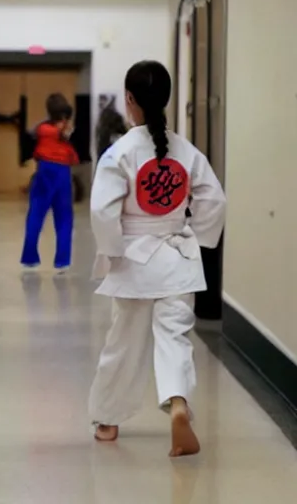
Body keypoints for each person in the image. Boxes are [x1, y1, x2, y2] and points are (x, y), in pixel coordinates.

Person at [88, 60, 226, 458]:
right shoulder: (186, 151)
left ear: (129, 100)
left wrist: (112, 249)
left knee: (124, 342)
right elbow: (213, 199)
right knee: (175, 339)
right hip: (178, 256)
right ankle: (178, 403)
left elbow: (102, 211)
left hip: (134, 262)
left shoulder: (120, 153)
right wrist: (197, 238)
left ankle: (109, 420)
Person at [21, 94, 79, 273]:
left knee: (36, 215)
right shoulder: (65, 135)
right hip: (63, 174)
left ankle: (30, 258)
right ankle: (62, 261)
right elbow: (74, 157)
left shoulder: (41, 129)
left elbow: (32, 136)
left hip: (44, 174)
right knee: (64, 219)